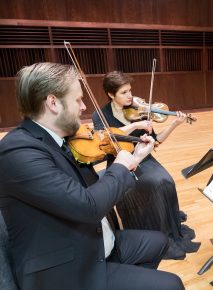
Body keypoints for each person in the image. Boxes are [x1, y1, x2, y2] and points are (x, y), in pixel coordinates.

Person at [0, 62, 184, 290]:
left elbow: (94, 185)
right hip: (67, 269)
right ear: (53, 103)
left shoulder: (62, 138)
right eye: (77, 100)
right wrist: (119, 166)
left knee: (159, 241)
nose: (84, 106)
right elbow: (87, 206)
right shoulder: (18, 151)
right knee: (172, 285)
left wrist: (134, 159)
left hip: (93, 241)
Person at [92, 71, 200, 260]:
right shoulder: (100, 114)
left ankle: (168, 226)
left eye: (130, 90)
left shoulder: (138, 109)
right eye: (124, 92)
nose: (130, 96)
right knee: (153, 185)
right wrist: (135, 126)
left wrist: (174, 124)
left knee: (166, 180)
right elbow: (107, 136)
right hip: (121, 162)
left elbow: (156, 140)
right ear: (111, 94)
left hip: (145, 158)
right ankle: (150, 231)